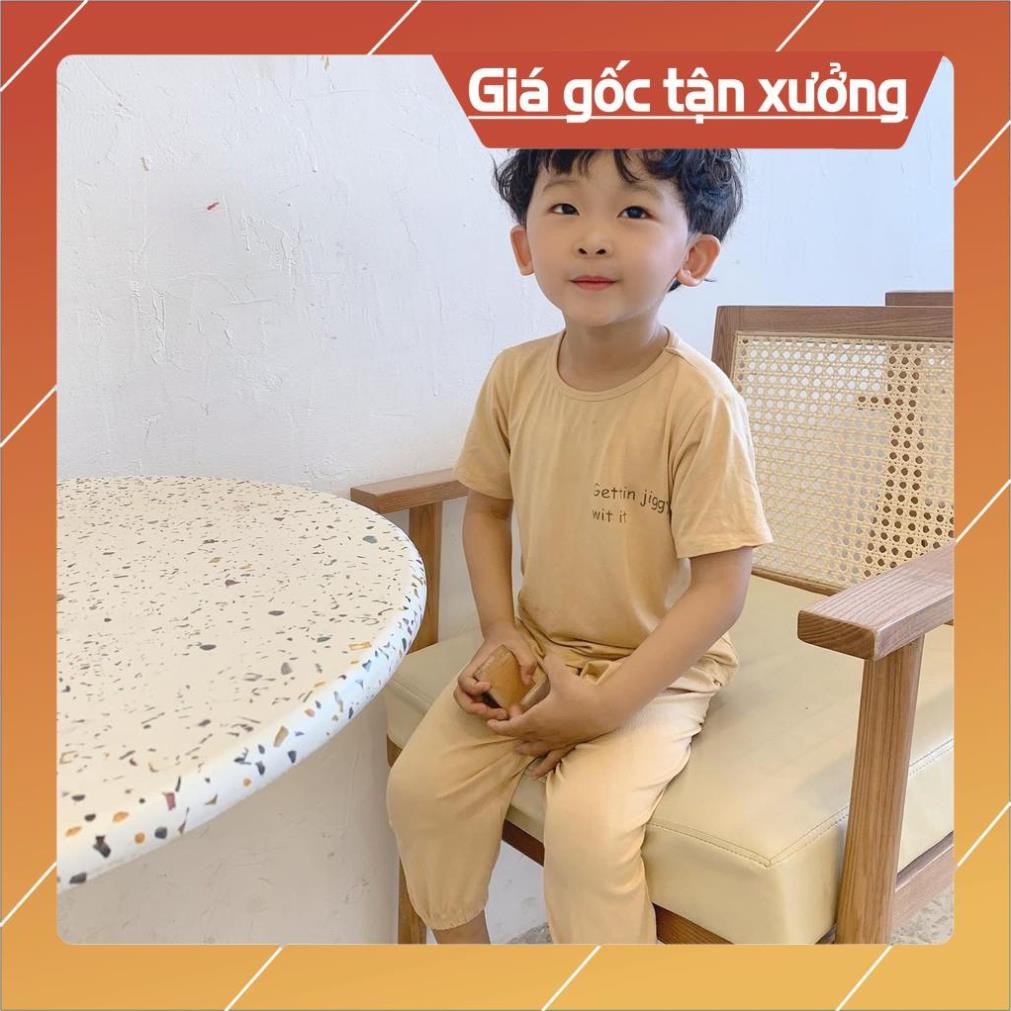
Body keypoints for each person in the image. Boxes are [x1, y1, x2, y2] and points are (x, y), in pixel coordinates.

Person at [386, 148, 774, 945]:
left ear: (694, 256)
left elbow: (720, 587)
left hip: (657, 672)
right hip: (536, 647)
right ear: (524, 245)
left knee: (589, 838)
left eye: (633, 211)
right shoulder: (512, 377)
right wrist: (500, 630)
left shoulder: (699, 403)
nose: (593, 237)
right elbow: (485, 511)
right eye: (564, 207)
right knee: (419, 791)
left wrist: (607, 703)